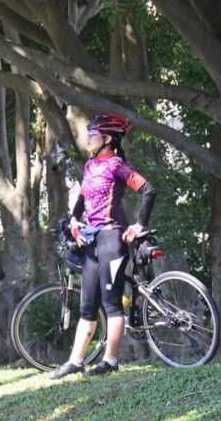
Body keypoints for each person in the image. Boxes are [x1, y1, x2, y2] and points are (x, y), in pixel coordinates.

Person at [50, 113, 156, 379]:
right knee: (87, 305)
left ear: (107, 139)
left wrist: (138, 225)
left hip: (112, 239)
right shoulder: (90, 166)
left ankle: (110, 361)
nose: (88, 139)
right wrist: (74, 219)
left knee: (111, 305)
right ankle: (76, 361)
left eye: (93, 135)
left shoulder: (117, 166)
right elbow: (83, 197)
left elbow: (148, 190)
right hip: (92, 242)